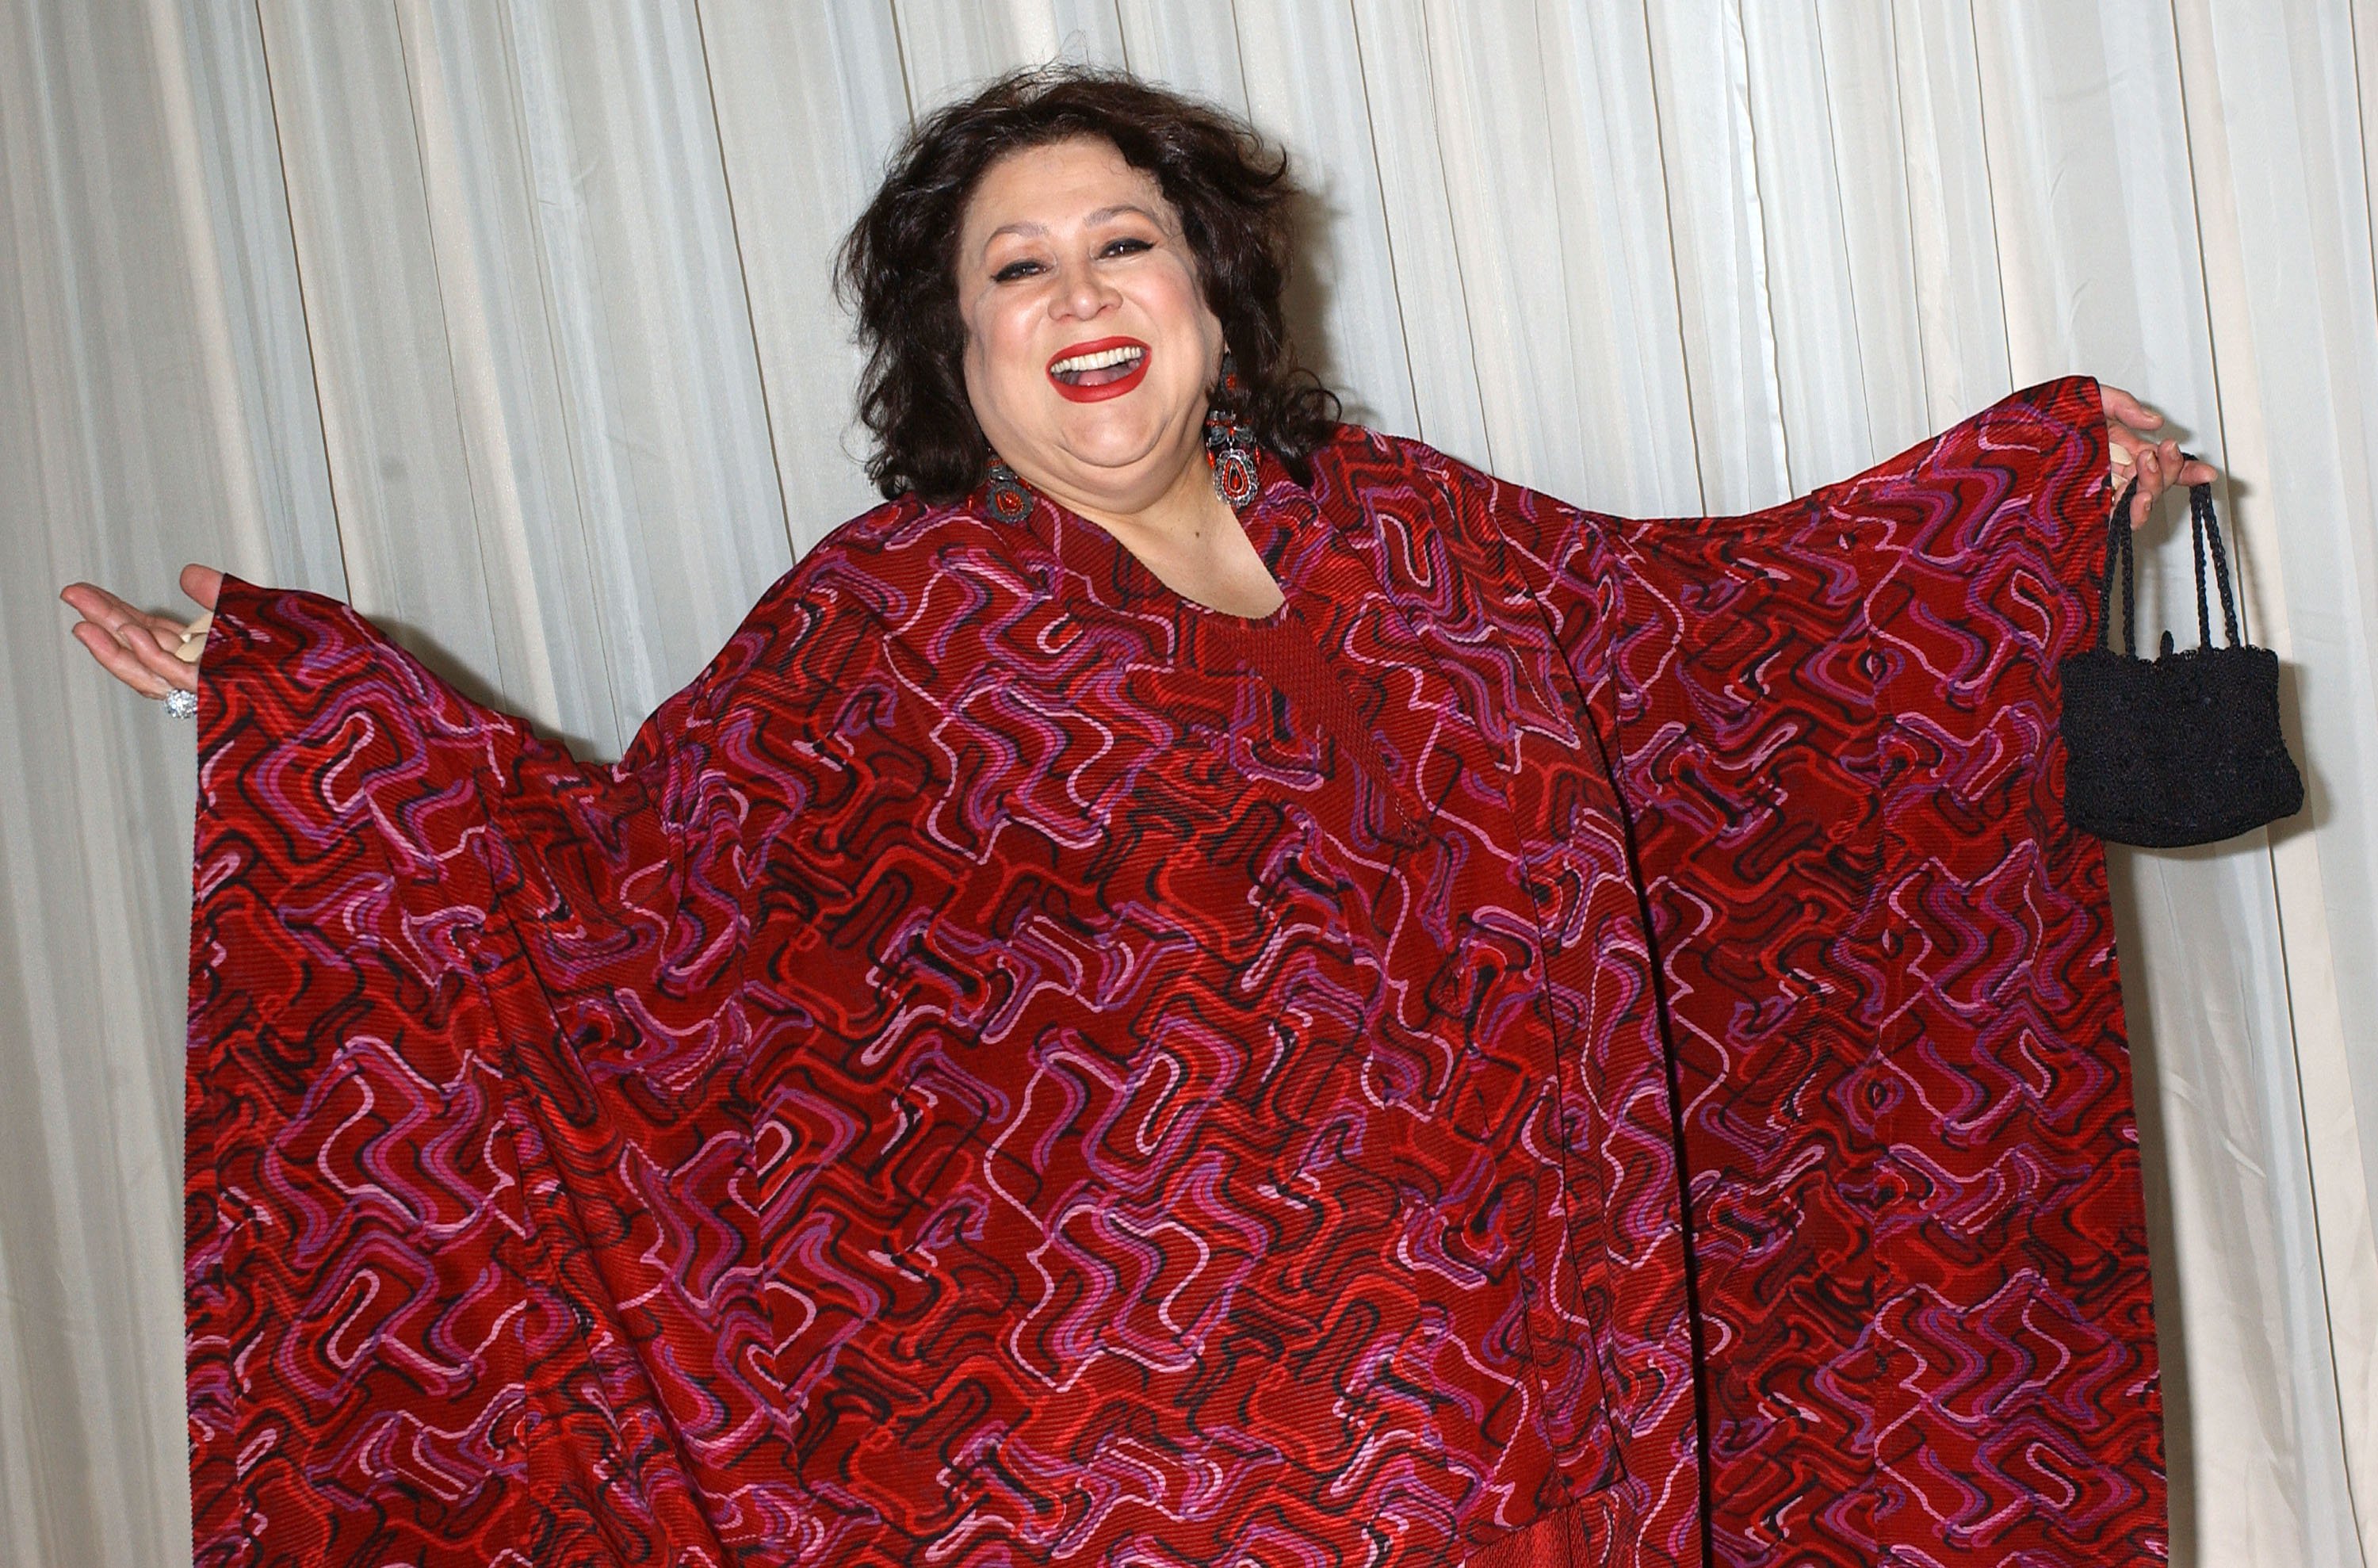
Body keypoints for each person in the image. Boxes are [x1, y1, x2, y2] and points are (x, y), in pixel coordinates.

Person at [61, 65, 2210, 1568]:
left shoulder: (1423, 543)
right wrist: (308, 713)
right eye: (1016, 268)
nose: (1080, 293)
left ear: (1208, 293)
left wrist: (2013, 495)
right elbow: (616, 916)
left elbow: (1739, 661)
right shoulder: (895, 625)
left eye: (1123, 243)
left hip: (1530, 1388)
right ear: (958, 342)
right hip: (1133, 1453)